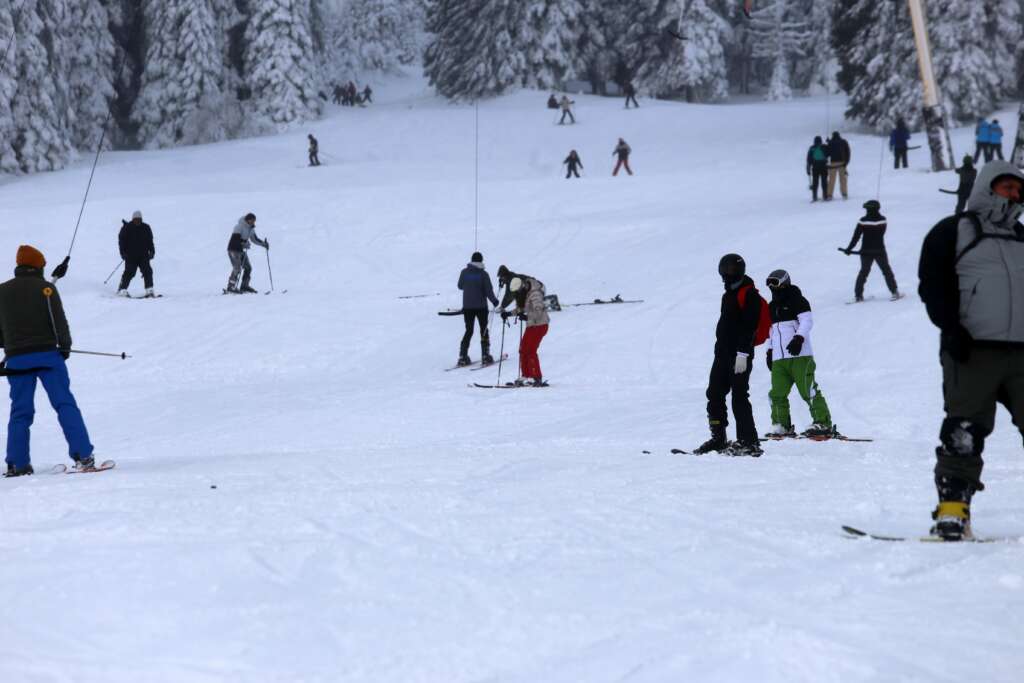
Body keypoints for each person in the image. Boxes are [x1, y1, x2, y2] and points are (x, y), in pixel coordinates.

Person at [917, 160, 1024, 541]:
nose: (1013, 194)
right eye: (1005, 187)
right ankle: (952, 511)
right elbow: (932, 283)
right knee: (964, 428)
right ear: (986, 187)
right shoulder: (954, 230)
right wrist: (952, 329)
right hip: (972, 351)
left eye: (1017, 189)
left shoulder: (1021, 236)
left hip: (1022, 353)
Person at [0, 246, 95, 476]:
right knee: (64, 404)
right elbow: (59, 322)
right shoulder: (46, 288)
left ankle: (17, 464)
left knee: (20, 412)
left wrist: (10, 347)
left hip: (16, 360)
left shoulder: (2, 291)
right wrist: (64, 348)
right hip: (47, 357)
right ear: (38, 266)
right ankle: (83, 456)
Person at [694, 254, 764, 457]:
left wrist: (743, 353)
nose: (727, 274)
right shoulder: (729, 295)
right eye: (724, 269)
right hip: (722, 354)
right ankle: (719, 438)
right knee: (714, 393)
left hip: (740, 355)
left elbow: (750, 327)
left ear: (740, 271)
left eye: (731, 270)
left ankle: (749, 442)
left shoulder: (748, 294)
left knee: (739, 396)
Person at [764, 270, 832, 439]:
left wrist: (799, 338)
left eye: (775, 282)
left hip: (800, 356)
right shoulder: (771, 307)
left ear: (785, 282)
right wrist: (769, 351)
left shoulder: (798, 300)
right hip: (780, 359)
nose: (772, 287)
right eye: (769, 283)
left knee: (808, 390)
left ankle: (822, 422)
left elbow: (807, 321)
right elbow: (770, 331)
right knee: (777, 393)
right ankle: (781, 425)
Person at [842, 200, 900, 302]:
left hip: (865, 251)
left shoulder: (863, 221)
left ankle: (858, 296)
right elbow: (879, 234)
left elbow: (856, 237)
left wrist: (849, 249)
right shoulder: (883, 220)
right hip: (879, 251)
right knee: (886, 271)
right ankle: (894, 291)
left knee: (863, 273)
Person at [499, 272, 549, 387]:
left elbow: (538, 311)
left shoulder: (535, 293)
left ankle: (536, 377)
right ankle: (526, 375)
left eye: (517, 292)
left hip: (540, 325)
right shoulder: (525, 293)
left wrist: (527, 317)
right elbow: (522, 308)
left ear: (522, 287)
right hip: (532, 325)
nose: (517, 294)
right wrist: (509, 314)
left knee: (530, 350)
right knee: (523, 349)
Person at [456, 252, 499, 367]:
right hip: (481, 307)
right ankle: (485, 355)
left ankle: (462, 356)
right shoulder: (483, 274)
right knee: (483, 330)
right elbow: (488, 290)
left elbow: (460, 286)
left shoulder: (464, 272)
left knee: (469, 330)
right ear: (481, 261)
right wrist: (494, 301)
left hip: (467, 307)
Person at [226, 213, 269, 294]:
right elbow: (235, 240)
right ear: (247, 219)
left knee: (248, 267)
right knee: (237, 268)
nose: (253, 222)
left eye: (254, 221)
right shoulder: (239, 226)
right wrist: (243, 243)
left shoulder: (251, 228)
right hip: (233, 249)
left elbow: (254, 239)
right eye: (252, 220)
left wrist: (263, 244)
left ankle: (244, 286)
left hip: (241, 250)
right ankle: (231, 286)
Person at [117, 210, 156, 298]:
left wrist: (152, 251)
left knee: (147, 271)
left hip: (144, 255)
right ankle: (122, 289)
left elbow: (150, 241)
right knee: (129, 272)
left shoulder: (146, 227)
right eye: (136, 219)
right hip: (130, 256)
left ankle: (149, 289)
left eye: (139, 219)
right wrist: (123, 253)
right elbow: (121, 241)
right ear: (132, 219)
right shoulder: (127, 227)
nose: (137, 221)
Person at [826, 131, 851, 200]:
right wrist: (846, 162)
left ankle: (829, 195)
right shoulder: (843, 142)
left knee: (831, 180)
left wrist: (828, 143)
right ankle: (844, 194)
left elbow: (827, 153)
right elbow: (848, 152)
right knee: (843, 180)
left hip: (833, 164)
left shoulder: (831, 142)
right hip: (842, 164)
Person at [806, 136, 829, 202]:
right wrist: (828, 142)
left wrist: (808, 169)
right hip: (823, 167)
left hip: (815, 167)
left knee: (815, 183)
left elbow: (809, 159)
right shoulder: (824, 147)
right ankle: (825, 196)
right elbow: (829, 153)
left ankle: (814, 197)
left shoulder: (812, 148)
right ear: (821, 141)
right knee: (824, 182)